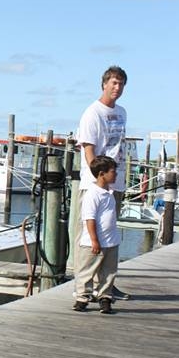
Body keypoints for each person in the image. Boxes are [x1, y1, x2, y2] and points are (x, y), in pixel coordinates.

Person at [76, 65, 129, 300]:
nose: (117, 88)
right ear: (104, 84)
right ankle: (83, 288)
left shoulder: (122, 112)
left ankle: (106, 285)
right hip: (95, 185)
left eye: (121, 84)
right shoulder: (92, 113)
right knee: (88, 237)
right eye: (113, 83)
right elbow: (89, 150)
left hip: (115, 184)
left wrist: (115, 182)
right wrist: (99, 180)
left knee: (109, 235)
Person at [73, 155, 120, 315]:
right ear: (102, 174)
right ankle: (82, 298)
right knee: (87, 270)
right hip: (93, 242)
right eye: (113, 171)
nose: (116, 174)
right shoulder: (93, 194)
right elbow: (89, 218)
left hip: (111, 241)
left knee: (109, 272)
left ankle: (105, 298)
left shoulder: (110, 193)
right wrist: (94, 240)